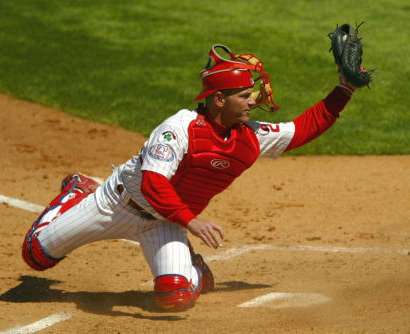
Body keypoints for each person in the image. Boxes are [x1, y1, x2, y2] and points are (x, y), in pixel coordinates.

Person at [22, 44, 360, 312]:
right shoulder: (178, 129)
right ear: (218, 99)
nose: (253, 100)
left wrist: (345, 89)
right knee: (36, 255)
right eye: (244, 95)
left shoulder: (251, 135)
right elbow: (155, 184)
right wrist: (193, 222)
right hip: (116, 204)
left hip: (164, 223)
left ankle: (188, 262)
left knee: (177, 297)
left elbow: (302, 130)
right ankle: (78, 190)